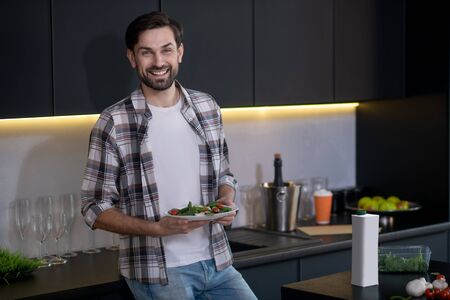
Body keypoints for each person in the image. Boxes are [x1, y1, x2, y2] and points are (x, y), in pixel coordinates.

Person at [80, 11, 257, 300]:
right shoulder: (113, 122)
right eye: (146, 52)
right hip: (158, 274)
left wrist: (226, 199)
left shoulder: (207, 107)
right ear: (132, 58)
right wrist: (156, 229)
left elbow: (224, 173)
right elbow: (93, 207)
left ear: (180, 52)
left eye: (167, 50)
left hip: (218, 262)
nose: (159, 62)